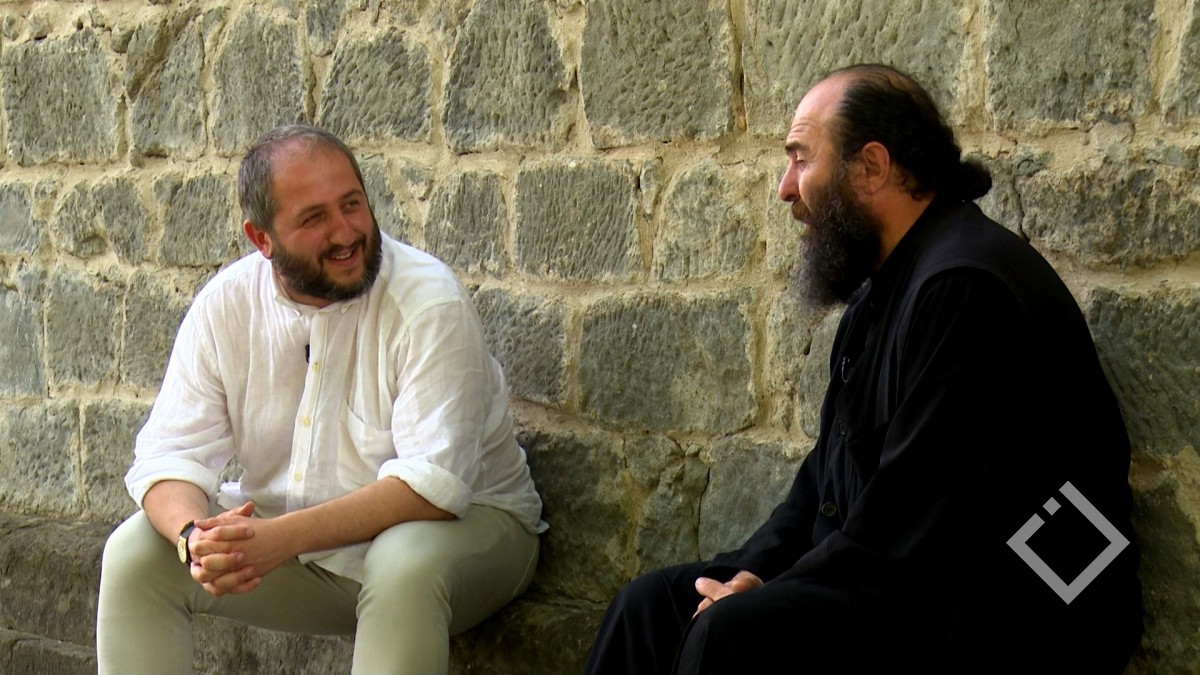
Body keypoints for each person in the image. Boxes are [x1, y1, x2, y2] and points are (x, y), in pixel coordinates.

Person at [583, 64, 1142, 674]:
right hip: (912, 581)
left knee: (731, 635)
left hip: (1018, 612)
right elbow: (820, 493)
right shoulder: (881, 297)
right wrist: (753, 573)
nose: (785, 189)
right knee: (650, 609)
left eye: (801, 159)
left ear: (871, 167)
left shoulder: (964, 289)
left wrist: (769, 597)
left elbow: (914, 521)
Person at [96, 124, 546, 674]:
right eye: (313, 218)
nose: (345, 232)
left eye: (352, 204)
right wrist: (196, 538)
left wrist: (279, 538)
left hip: (472, 535)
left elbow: (433, 488)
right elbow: (169, 456)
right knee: (137, 553)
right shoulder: (225, 305)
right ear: (261, 239)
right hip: (305, 553)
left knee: (403, 560)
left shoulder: (430, 302)